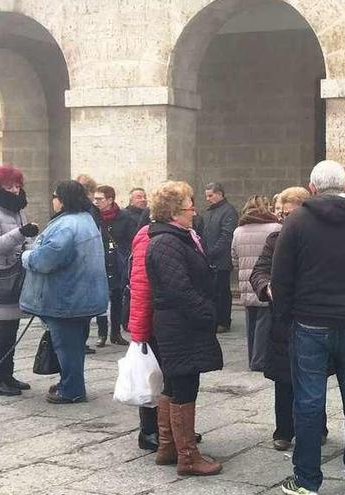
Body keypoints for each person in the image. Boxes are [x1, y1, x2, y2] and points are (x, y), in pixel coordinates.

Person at [273, 160, 345, 495]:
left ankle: (307, 481)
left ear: (312, 188)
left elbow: (282, 277)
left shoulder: (296, 221)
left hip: (310, 322)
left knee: (309, 404)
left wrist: (285, 317)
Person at [145, 181, 223, 475]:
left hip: (178, 323)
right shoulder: (167, 242)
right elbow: (179, 289)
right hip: (180, 324)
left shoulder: (176, 237)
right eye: (190, 207)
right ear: (175, 212)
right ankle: (188, 457)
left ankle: (168, 447)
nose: (194, 211)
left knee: (175, 383)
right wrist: (207, 313)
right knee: (184, 385)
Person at [249, 186, 329, 452]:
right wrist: (267, 286)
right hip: (283, 317)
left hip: (313, 315)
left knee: (313, 377)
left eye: (290, 213)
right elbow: (259, 271)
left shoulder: (320, 237)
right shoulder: (275, 238)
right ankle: (284, 429)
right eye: (282, 214)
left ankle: (317, 427)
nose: (286, 219)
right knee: (284, 378)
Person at [20, 180, 108, 404]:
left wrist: (26, 256)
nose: (53, 200)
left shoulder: (66, 226)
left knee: (67, 347)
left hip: (66, 297)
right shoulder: (87, 219)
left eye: (55, 195)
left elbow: (46, 260)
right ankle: (70, 383)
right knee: (75, 345)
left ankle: (72, 389)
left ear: (63, 199)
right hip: (83, 295)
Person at [127, 207, 204, 453]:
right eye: (187, 204)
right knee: (155, 377)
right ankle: (151, 431)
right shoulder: (149, 236)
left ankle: (173, 434)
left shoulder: (187, 234)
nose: (193, 209)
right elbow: (141, 284)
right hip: (156, 317)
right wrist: (140, 329)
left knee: (170, 379)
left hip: (170, 317)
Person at [0, 164, 38, 396]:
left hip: (16, 274)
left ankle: (7, 375)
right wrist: (21, 234)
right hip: (0, 277)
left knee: (11, 328)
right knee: (3, 330)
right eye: (9, 186)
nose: (14, 190)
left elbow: (26, 239)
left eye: (17, 185)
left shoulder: (17, 209)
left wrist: (32, 249)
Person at [232, 195, 281, 371]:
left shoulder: (239, 230)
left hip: (246, 282)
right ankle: (259, 360)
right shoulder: (275, 227)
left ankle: (252, 357)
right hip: (264, 280)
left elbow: (234, 258)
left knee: (251, 322)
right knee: (263, 323)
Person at [93, 185, 131, 347]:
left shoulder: (124, 217)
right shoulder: (93, 216)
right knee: (101, 299)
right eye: (95, 198)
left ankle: (115, 333)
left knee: (117, 298)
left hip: (117, 262)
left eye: (100, 199)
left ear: (110, 200)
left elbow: (130, 239)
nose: (96, 202)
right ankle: (102, 333)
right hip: (99, 261)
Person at [200, 182, 238, 333]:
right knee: (212, 291)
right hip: (209, 258)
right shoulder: (209, 212)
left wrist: (211, 252)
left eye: (210, 195)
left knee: (222, 291)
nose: (208, 199)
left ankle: (223, 321)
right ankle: (214, 319)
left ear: (219, 194)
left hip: (221, 260)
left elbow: (226, 236)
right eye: (207, 196)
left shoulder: (228, 211)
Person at [76, 174, 103, 355]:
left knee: (82, 310)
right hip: (88, 264)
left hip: (84, 265)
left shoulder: (87, 211)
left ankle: (80, 342)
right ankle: (80, 342)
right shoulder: (88, 211)